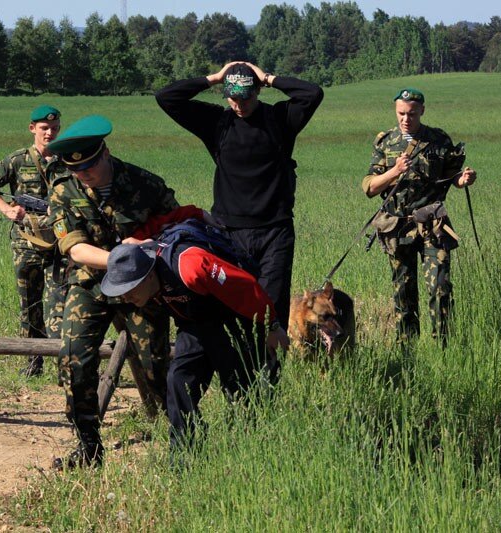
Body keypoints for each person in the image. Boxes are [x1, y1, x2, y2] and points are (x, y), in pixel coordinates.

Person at [45, 115, 207, 469]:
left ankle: (187, 441)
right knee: (74, 358)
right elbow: (74, 249)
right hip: (90, 284)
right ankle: (88, 446)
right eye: (76, 170)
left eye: (88, 166)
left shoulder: (144, 183)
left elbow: (180, 224)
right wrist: (122, 257)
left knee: (157, 368)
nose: (83, 175)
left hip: (142, 288)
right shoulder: (63, 192)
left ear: (105, 153)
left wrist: (151, 250)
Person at [155, 61, 323, 330]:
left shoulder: (280, 120)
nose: (239, 104)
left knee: (272, 312)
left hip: (274, 232)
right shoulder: (217, 123)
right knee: (231, 307)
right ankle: (240, 368)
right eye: (232, 97)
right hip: (227, 233)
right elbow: (166, 97)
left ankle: (268, 369)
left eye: (245, 97)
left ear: (257, 92)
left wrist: (267, 77)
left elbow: (312, 93)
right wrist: (214, 77)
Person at [100, 223, 289, 452]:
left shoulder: (190, 265)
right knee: (178, 381)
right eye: (122, 292)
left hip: (231, 319)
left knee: (240, 387)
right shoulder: (145, 288)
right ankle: (183, 457)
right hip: (194, 324)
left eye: (131, 289)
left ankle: (253, 448)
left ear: (149, 275)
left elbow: (245, 288)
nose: (127, 297)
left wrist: (272, 325)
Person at [362, 88, 477, 347]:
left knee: (441, 288)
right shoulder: (385, 142)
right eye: (401, 113)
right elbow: (369, 187)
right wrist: (394, 172)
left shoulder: (438, 140)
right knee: (404, 293)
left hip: (432, 225)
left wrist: (463, 179)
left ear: (422, 111)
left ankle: (443, 348)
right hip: (398, 228)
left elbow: (452, 177)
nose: (406, 119)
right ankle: (407, 350)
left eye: (412, 113)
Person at [0, 105, 70, 377]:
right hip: (26, 244)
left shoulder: (68, 160)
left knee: (61, 305)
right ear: (32, 129)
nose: (50, 133)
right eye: (44, 128)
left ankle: (66, 366)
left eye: (54, 128)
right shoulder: (17, 160)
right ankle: (32, 364)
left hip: (61, 244)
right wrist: (7, 210)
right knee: (30, 306)